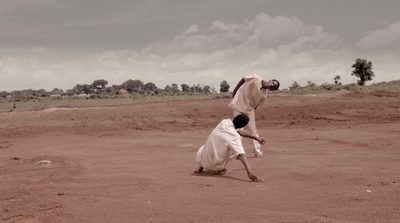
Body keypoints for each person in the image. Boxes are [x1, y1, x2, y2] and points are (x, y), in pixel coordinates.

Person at [194, 113, 265, 182]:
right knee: (232, 149)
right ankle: (220, 169)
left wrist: (255, 137)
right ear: (242, 126)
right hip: (214, 166)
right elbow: (241, 154)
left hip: (202, 158)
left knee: (212, 143)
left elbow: (239, 132)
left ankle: (201, 167)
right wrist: (249, 172)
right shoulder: (234, 137)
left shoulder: (224, 122)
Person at [229, 74, 280, 158]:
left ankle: (257, 151)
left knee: (252, 130)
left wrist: (250, 111)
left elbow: (257, 104)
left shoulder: (264, 94)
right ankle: (235, 151)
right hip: (238, 105)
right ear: (270, 80)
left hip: (249, 109)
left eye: (273, 87)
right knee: (238, 130)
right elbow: (243, 79)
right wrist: (235, 91)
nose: (271, 85)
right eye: (273, 83)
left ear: (272, 89)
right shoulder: (256, 78)